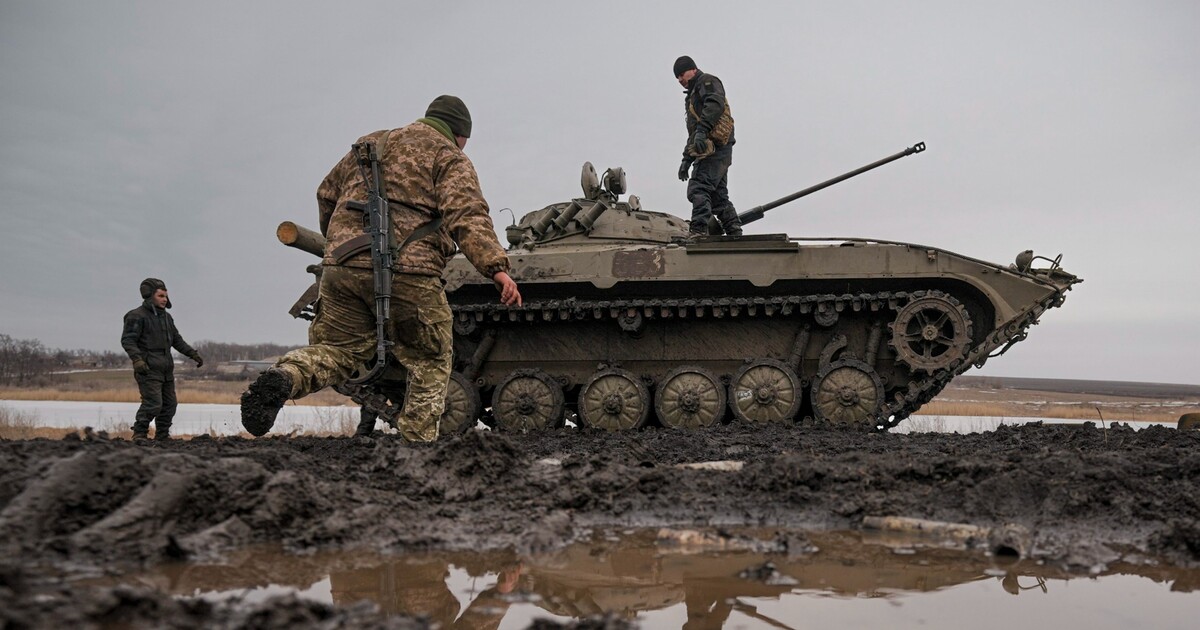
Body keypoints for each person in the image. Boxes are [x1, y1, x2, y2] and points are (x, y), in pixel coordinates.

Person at [241, 95, 522, 441]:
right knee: (429, 360)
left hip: (342, 266)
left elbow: (326, 194)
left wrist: (340, 245)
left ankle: (286, 377)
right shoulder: (449, 156)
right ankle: (416, 449)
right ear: (460, 133)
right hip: (410, 271)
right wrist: (496, 268)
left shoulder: (372, 142)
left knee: (342, 351)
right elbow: (467, 214)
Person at [120, 278, 204, 441]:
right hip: (148, 368)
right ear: (149, 295)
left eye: (166, 296)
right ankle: (139, 434)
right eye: (160, 296)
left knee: (170, 405)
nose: (165, 299)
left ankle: (162, 436)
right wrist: (137, 360)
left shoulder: (167, 318)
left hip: (166, 369)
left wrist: (192, 354)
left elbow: (176, 340)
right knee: (153, 404)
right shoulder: (136, 316)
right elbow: (128, 340)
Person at [674, 55, 742, 236]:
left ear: (693, 69)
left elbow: (715, 104)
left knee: (699, 187)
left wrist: (703, 131)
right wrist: (686, 159)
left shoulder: (707, 82)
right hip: (713, 148)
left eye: (682, 74)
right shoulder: (692, 95)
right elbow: (694, 132)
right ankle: (734, 232)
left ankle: (698, 231)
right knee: (718, 197)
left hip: (716, 146)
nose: (680, 80)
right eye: (677, 77)